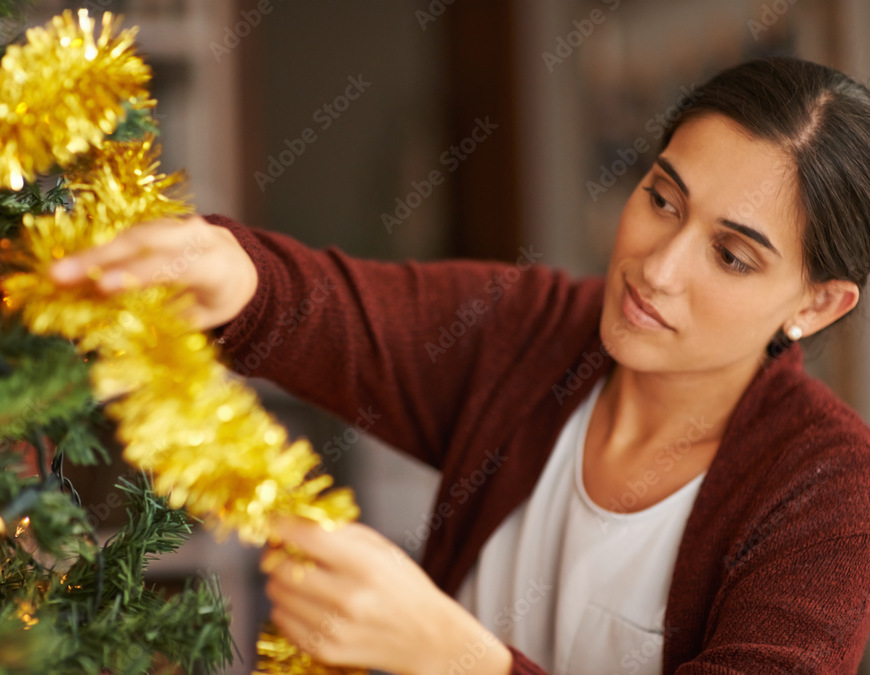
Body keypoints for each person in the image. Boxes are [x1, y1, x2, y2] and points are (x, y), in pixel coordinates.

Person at [50, 57, 870, 674]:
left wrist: (454, 654)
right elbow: (334, 311)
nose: (658, 267)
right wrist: (231, 268)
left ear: (817, 305)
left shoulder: (832, 496)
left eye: (731, 256)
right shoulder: (535, 332)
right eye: (662, 199)